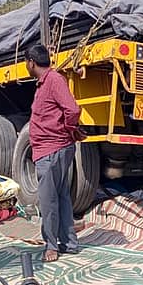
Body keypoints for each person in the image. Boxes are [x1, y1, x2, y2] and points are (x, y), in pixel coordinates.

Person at [26, 45, 84, 263]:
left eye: (26, 63)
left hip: (52, 149)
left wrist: (69, 129)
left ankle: (52, 245)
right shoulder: (46, 83)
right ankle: (69, 242)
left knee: (48, 200)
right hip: (52, 148)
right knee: (60, 197)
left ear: (31, 62)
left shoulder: (53, 80)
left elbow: (73, 109)